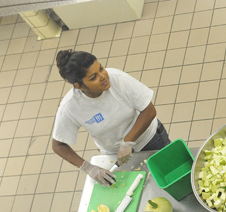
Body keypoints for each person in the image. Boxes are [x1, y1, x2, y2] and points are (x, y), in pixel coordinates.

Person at [51, 50, 170, 186]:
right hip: (115, 155)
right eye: (93, 77)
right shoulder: (70, 107)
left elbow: (149, 111)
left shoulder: (118, 79)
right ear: (79, 86)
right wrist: (88, 168)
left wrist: (127, 142)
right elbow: (58, 145)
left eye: (101, 68)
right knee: (138, 187)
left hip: (150, 140)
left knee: (168, 173)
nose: (103, 76)